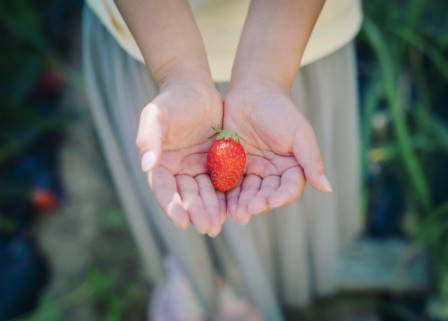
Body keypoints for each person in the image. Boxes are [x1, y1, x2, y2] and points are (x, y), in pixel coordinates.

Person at [82, 0, 362, 320]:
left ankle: (242, 289)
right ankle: (197, 279)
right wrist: (177, 74)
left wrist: (267, 79)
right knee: (181, 201)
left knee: (265, 222)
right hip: (149, 40)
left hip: (292, 41)